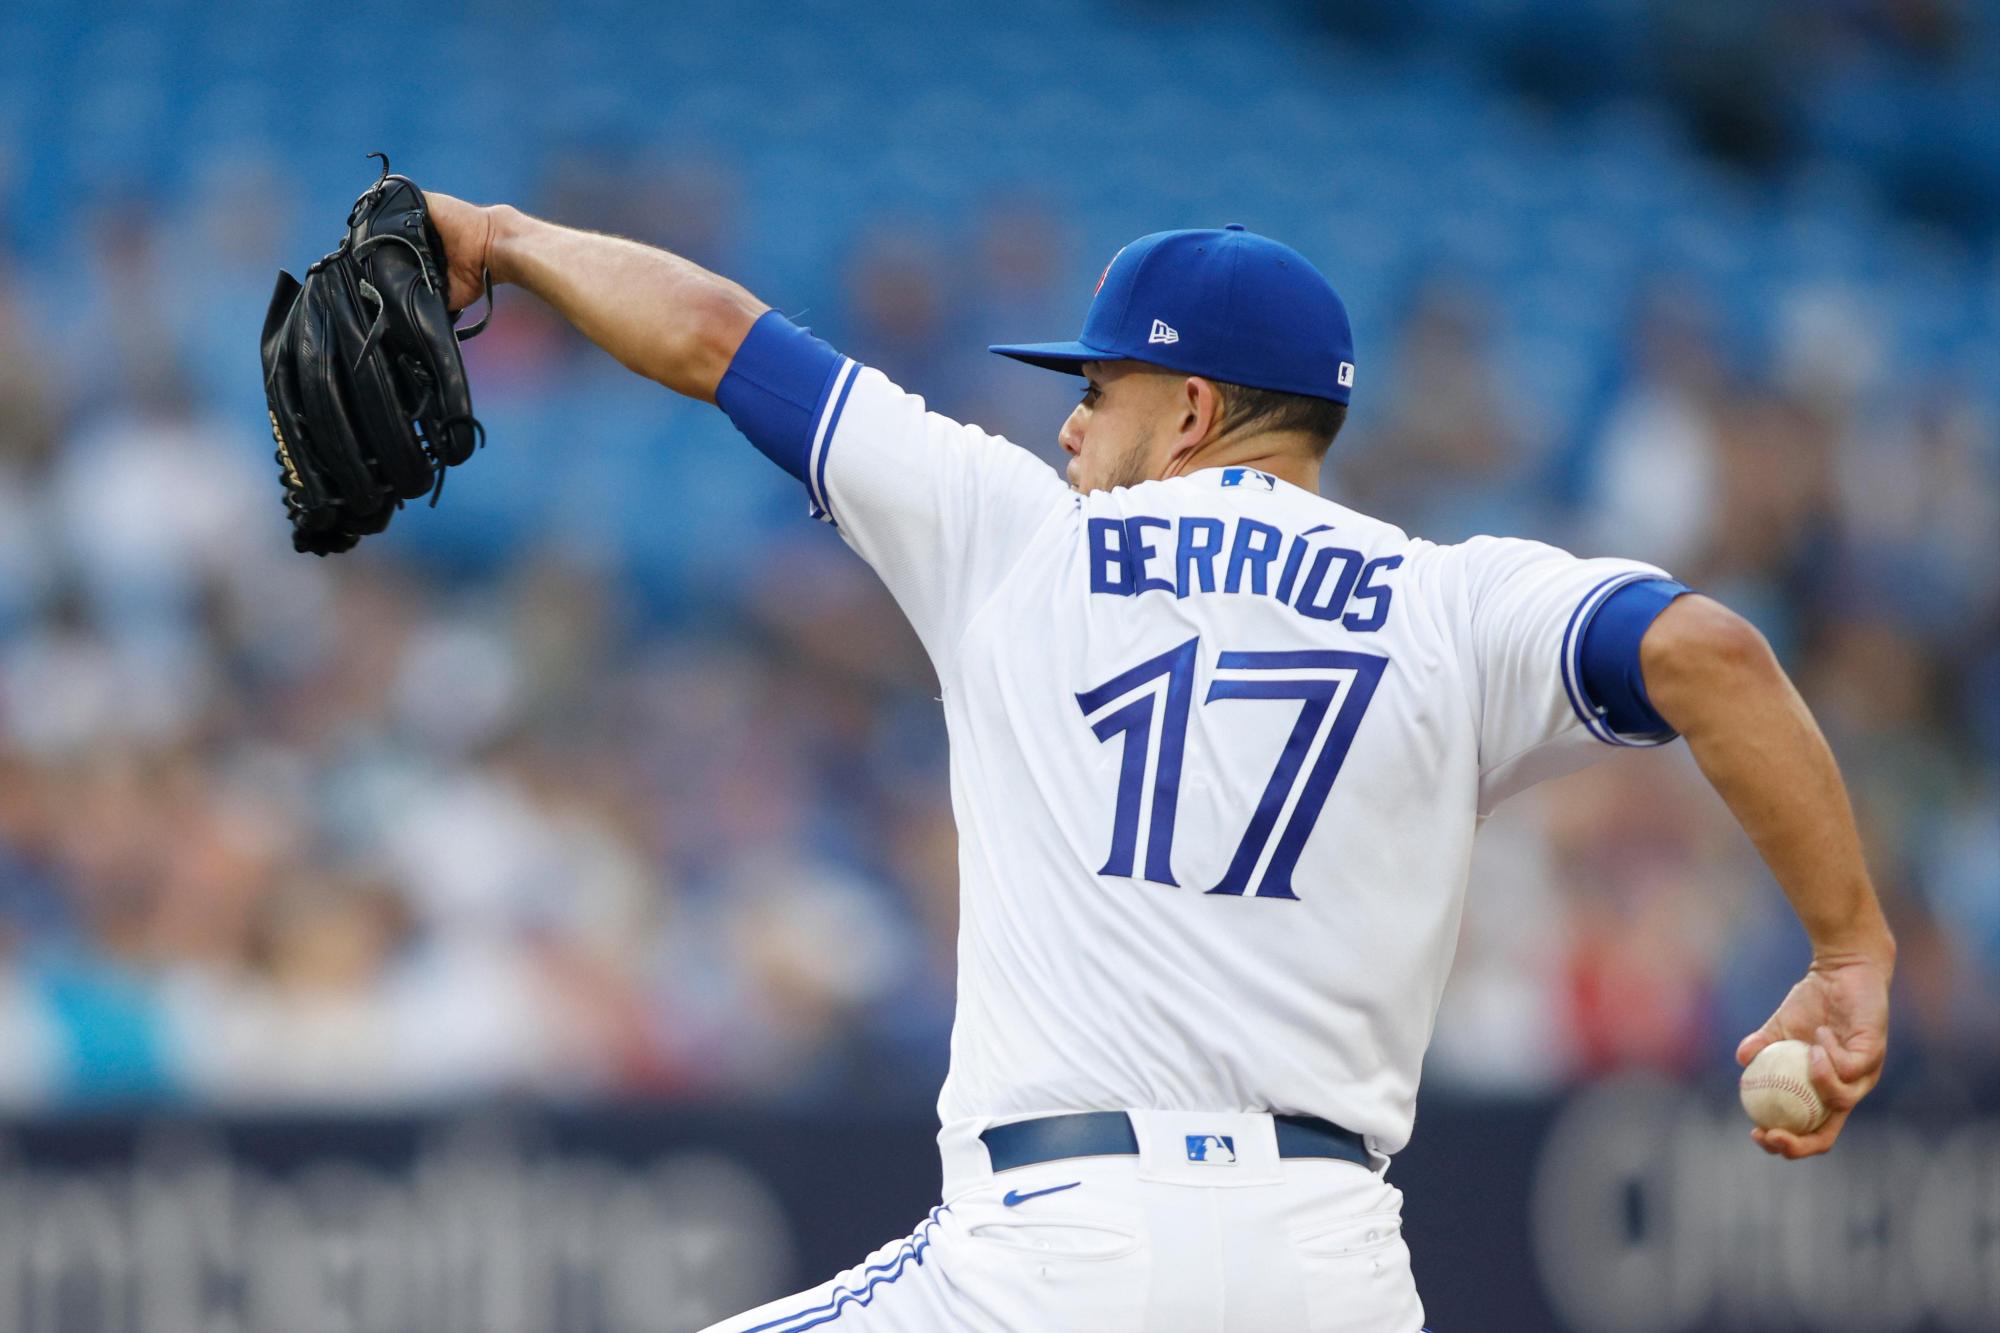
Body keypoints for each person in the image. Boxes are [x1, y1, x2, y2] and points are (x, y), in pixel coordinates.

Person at [419, 194, 1895, 1332]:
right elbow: (1714, 654)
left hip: (1060, 1244)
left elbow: (719, 337)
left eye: (1099, 391)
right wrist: (1847, 947)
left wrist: (502, 237)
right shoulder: (1455, 604)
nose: (1067, 423)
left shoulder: (1017, 539)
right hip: (1334, 1263)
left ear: (1190, 409)